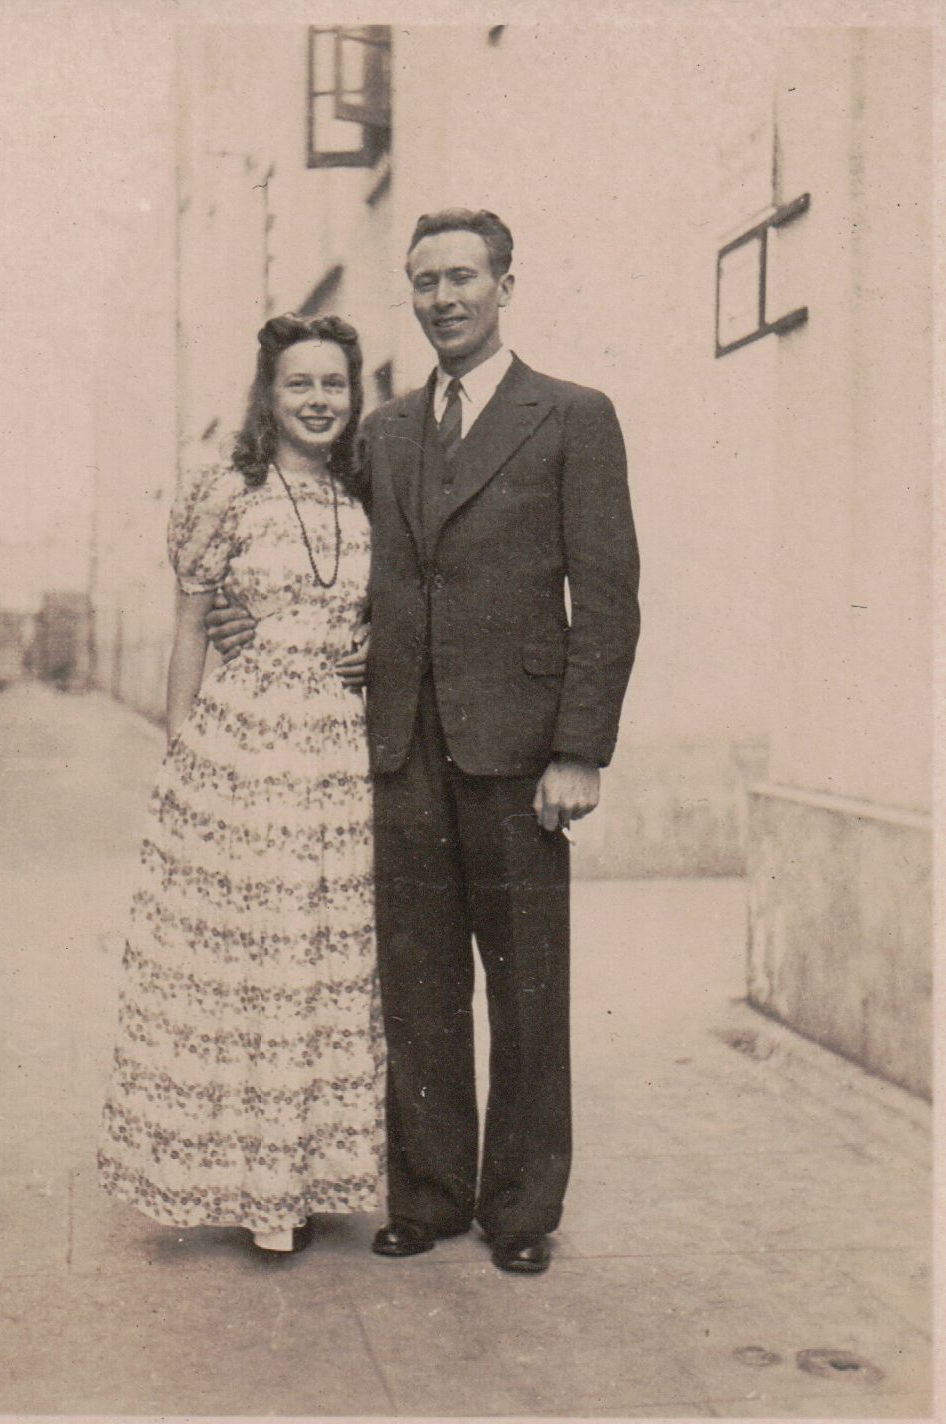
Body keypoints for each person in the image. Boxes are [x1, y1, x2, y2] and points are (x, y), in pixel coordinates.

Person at [208, 209, 640, 1274]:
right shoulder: (387, 431)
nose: (442, 297)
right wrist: (242, 611)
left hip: (520, 754)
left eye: (461, 276)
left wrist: (579, 749)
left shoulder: (572, 415)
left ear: (504, 282)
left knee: (527, 988)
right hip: (396, 749)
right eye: (424, 280)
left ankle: (521, 1208)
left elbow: (611, 593)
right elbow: (331, 549)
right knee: (416, 983)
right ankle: (432, 1192)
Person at [99, 314, 385, 1255]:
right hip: (247, 756)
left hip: (339, 765)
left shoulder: (362, 496)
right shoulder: (226, 492)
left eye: (334, 385)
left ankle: (300, 1179)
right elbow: (190, 628)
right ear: (268, 395)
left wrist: (369, 653)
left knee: (319, 966)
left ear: (354, 395)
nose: (317, 402)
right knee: (252, 964)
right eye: (299, 384)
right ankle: (249, 1185)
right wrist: (180, 753)